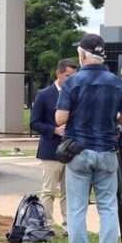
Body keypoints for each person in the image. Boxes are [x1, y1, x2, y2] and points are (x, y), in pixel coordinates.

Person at [55, 34, 122, 243]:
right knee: (108, 208)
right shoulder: (117, 82)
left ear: (82, 55)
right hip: (107, 152)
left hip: (78, 151)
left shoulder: (72, 82)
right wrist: (112, 117)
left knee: (77, 209)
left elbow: (60, 119)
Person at [30, 58, 78, 227]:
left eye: (74, 76)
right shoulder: (44, 94)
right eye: (68, 75)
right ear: (58, 74)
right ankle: (47, 224)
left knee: (69, 192)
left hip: (72, 150)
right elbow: (34, 122)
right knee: (49, 191)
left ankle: (68, 226)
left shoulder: (76, 94)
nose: (71, 79)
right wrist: (54, 130)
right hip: (51, 150)